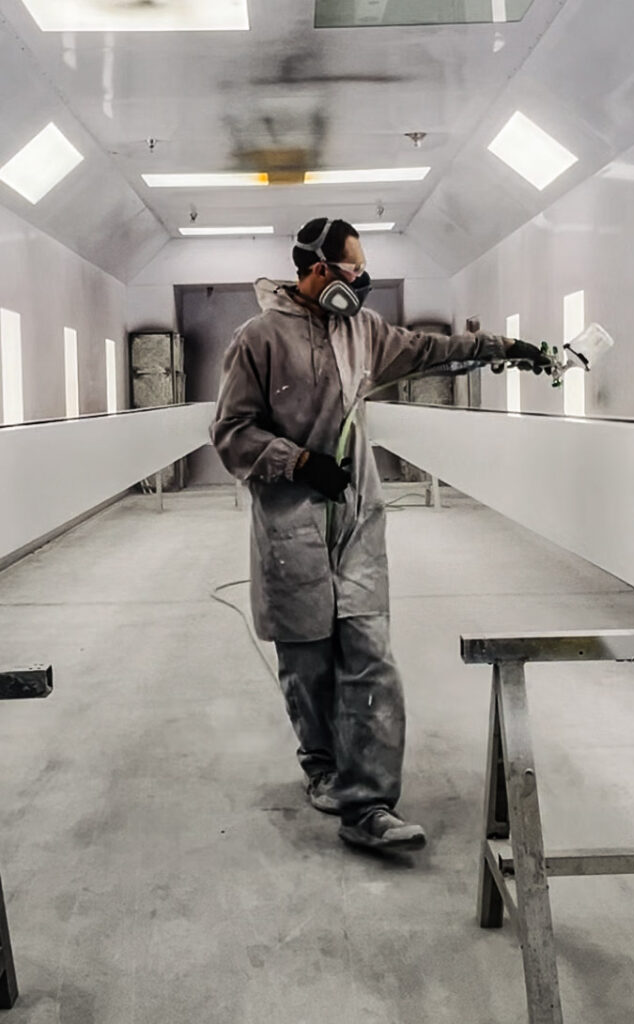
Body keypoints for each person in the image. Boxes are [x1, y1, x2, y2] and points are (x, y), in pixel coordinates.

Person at [210, 217, 549, 852]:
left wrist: (511, 348)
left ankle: (368, 805)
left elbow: (432, 351)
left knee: (370, 656)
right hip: (294, 522)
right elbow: (230, 433)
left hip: (357, 517)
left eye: (364, 269)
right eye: (351, 271)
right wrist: (301, 462)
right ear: (316, 272)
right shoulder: (257, 339)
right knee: (308, 662)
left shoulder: (363, 331)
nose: (362, 281)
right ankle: (323, 769)